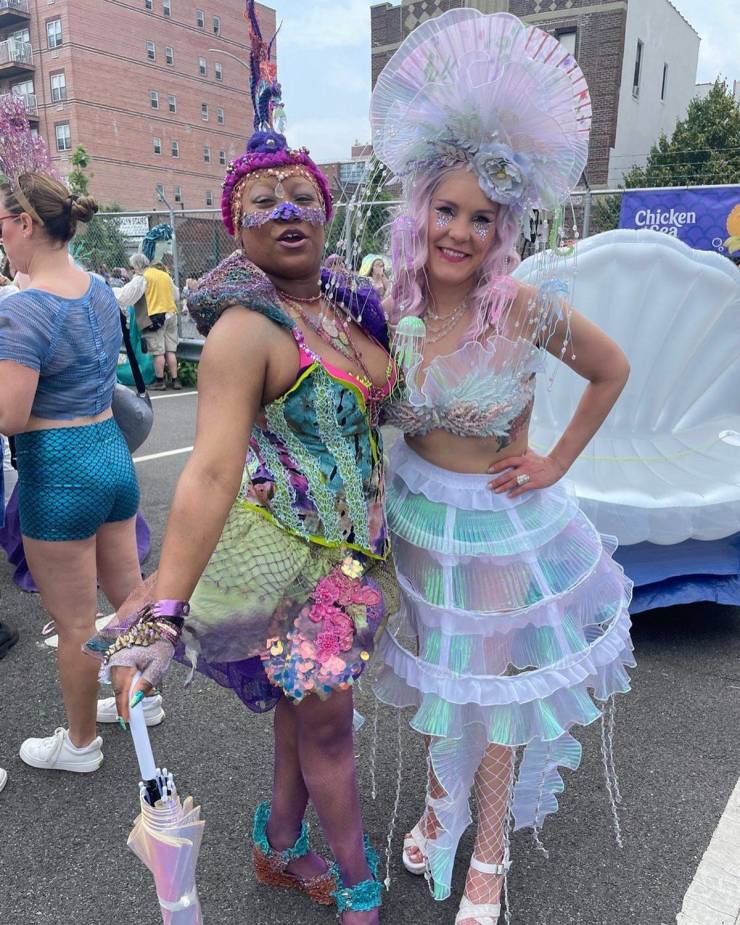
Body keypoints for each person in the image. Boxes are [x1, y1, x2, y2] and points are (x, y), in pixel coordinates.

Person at [87, 6, 398, 922]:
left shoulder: (345, 310)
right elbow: (211, 472)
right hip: (297, 570)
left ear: (328, 210)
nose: (287, 210)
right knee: (329, 732)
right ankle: (358, 884)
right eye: (264, 201)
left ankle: (277, 844)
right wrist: (166, 609)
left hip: (356, 560)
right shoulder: (245, 330)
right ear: (237, 225)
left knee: (303, 714)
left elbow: (394, 405)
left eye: (301, 194)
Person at [371, 11, 634, 925]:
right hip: (417, 518)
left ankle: (489, 852)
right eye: (446, 210)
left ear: (504, 226)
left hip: (494, 522)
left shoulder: (521, 304)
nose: (460, 231)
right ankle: (441, 809)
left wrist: (555, 459)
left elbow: (611, 368)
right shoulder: (392, 300)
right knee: (445, 679)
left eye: (481, 217)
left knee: (490, 692)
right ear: (421, 210)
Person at [0, 164, 144, 772]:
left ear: (26, 224)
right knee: (129, 598)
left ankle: (81, 745)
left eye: (2, 226)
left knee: (76, 622)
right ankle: (138, 701)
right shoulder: (98, 290)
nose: (1, 238)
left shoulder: (24, 311)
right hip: (111, 452)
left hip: (59, 470)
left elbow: (10, 416)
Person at [112, 252, 181, 390]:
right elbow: (176, 295)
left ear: (137, 266)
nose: (132, 270)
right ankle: (175, 380)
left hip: (155, 318)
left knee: (158, 352)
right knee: (170, 350)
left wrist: (111, 291)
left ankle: (160, 381)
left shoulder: (142, 277)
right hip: (171, 314)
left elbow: (126, 296)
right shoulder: (164, 275)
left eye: (132, 267)